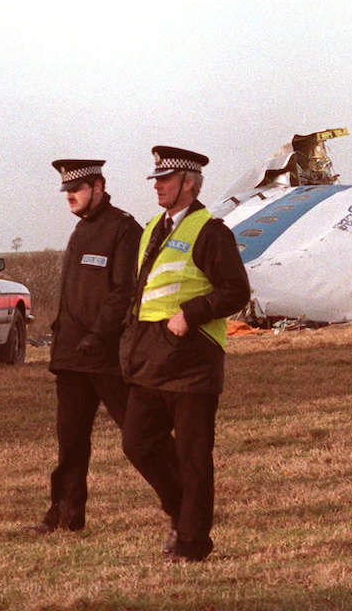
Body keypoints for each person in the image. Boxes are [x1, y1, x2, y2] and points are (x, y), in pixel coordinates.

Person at [120, 146, 250, 562]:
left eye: (165, 179)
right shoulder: (150, 229)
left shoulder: (211, 232)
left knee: (193, 457)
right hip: (151, 357)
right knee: (137, 442)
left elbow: (236, 291)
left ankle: (193, 542)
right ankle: (182, 513)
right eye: (156, 179)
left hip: (192, 360)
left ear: (189, 184)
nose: (157, 186)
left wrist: (190, 315)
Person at [31, 159, 143, 533]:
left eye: (76, 188)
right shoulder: (81, 230)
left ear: (98, 186)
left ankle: (186, 505)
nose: (70, 196)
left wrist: (98, 336)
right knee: (71, 443)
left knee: (141, 436)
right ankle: (65, 515)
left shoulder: (124, 229)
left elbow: (125, 292)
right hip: (73, 358)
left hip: (107, 357)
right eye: (66, 190)